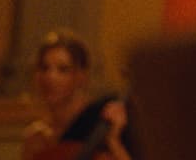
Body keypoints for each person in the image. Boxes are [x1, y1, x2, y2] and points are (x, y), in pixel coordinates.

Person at [19, 30, 132, 160]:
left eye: (63, 69)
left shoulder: (101, 124)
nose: (50, 77)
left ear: (80, 76)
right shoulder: (35, 138)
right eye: (44, 68)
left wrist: (113, 142)